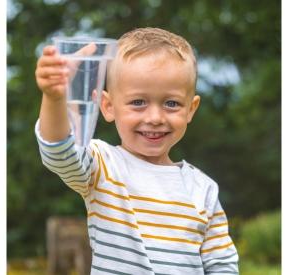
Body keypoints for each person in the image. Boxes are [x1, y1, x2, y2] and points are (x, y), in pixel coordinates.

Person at [35, 27, 239, 274]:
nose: (154, 117)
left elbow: (222, 266)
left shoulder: (203, 189)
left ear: (191, 109)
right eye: (138, 102)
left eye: (171, 103)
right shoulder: (103, 165)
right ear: (108, 106)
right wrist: (54, 99)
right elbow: (59, 153)